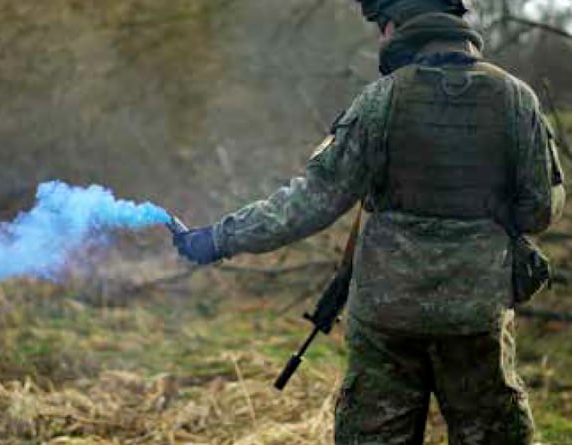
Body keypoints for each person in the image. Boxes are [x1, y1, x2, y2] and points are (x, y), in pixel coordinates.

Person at [172, 0, 567, 443]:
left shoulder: (380, 100)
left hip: (386, 321)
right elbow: (539, 211)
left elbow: (309, 203)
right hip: (477, 318)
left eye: (382, 27)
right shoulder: (517, 99)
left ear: (398, 26)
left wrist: (217, 239)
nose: (380, 37)